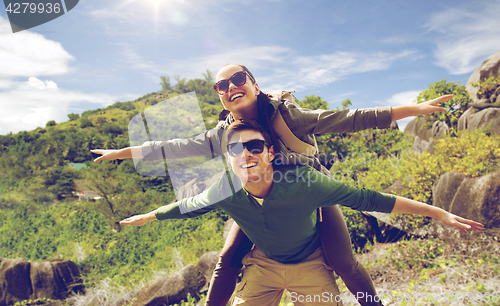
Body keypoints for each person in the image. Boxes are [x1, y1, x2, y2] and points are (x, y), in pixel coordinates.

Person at [91, 63, 453, 306]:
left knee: (342, 261)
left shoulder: (287, 116)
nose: (231, 87)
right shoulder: (222, 134)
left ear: (253, 84)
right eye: (222, 85)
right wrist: (123, 152)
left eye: (238, 80)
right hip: (257, 199)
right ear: (218, 95)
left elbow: (348, 119)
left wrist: (414, 109)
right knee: (228, 258)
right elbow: (177, 148)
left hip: (308, 194)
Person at [119, 119, 483, 306]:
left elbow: (371, 198)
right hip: (262, 266)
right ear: (226, 157)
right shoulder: (223, 188)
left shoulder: (306, 182)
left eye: (255, 146)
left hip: (310, 265)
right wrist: (147, 216)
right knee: (227, 261)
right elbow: (186, 207)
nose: (246, 154)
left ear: (271, 152)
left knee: (348, 265)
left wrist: (437, 212)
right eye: (235, 148)